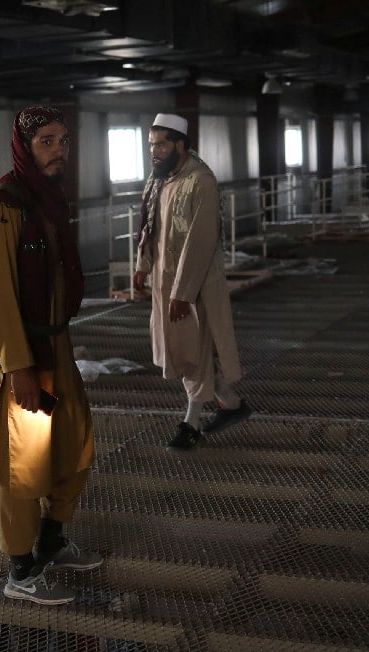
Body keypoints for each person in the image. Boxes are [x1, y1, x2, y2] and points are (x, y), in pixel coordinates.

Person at [0, 106, 99, 605]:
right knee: (25, 463)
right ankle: (21, 570)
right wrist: (19, 368)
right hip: (20, 356)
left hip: (54, 346)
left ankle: (53, 541)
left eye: (63, 141)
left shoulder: (46, 201)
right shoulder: (3, 208)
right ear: (25, 146)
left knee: (76, 444)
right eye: (47, 141)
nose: (59, 151)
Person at [132, 113, 250, 451]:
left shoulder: (201, 181)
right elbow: (149, 229)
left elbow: (200, 242)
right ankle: (230, 403)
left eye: (161, 144)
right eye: (151, 145)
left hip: (194, 287)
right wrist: (142, 266)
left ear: (180, 144)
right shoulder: (158, 180)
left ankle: (191, 423)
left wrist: (183, 294)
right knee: (182, 353)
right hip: (164, 286)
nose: (154, 151)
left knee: (192, 355)